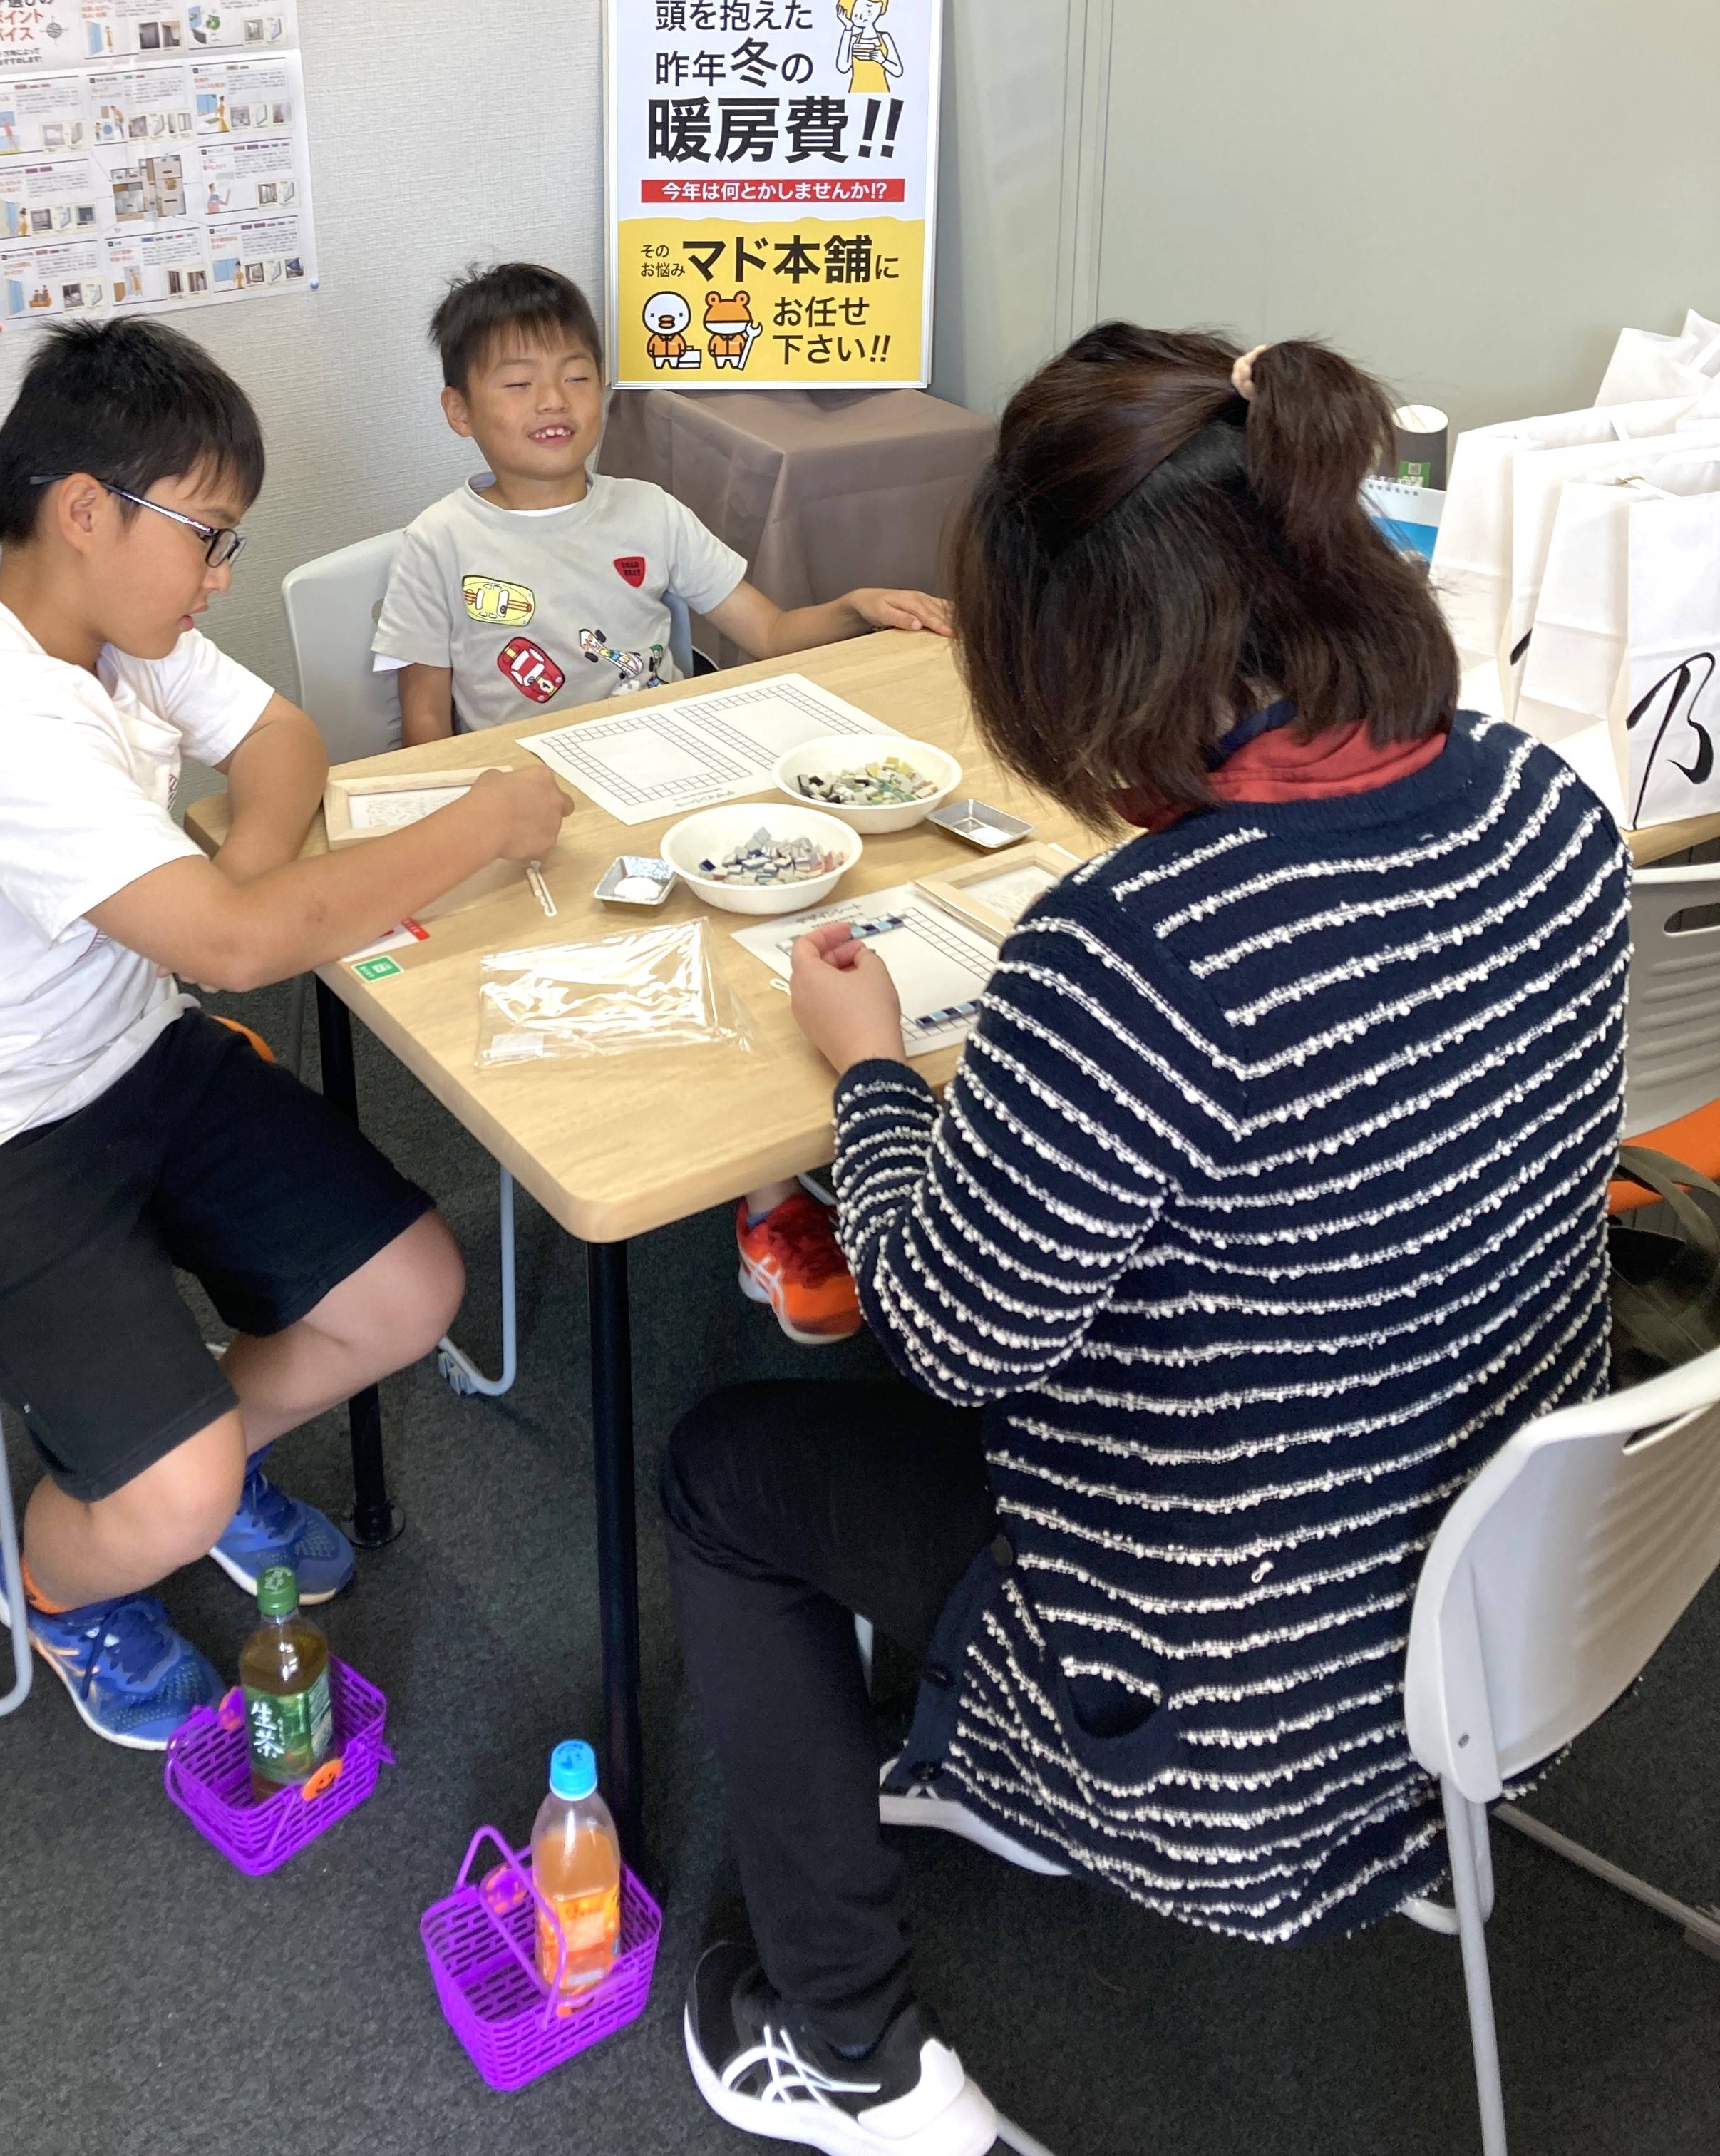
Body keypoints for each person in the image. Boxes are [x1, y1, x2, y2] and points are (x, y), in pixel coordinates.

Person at [664, 325, 1630, 2155]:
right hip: (1505, 1650)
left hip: (1228, 1750)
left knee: (727, 1472)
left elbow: (947, 1334)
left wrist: (872, 1075)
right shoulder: (1548, 817)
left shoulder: (1136, 955)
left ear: (1079, 655)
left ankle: (846, 2051)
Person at [0, 319, 570, 1749]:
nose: (219, 577)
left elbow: (283, 747)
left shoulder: (106, 630)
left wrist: (249, 890)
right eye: (207, 538)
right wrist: (476, 826)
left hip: (124, 1057)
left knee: (408, 1293)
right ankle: (65, 1575)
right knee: (178, 1484)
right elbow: (230, 950)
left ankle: (165, 1468)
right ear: (84, 511)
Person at [373, 260, 954, 1347]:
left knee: (775, 934)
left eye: (578, 375)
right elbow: (421, 739)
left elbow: (771, 633)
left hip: (679, 784)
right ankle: (770, 1194)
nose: (554, 402)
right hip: (541, 819)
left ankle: (774, 1189)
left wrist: (855, 605)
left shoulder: (649, 511)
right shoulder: (438, 547)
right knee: (666, 976)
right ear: (458, 410)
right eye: (517, 383)